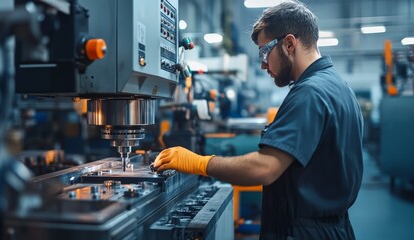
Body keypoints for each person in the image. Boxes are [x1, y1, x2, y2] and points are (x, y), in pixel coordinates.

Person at [153, 1, 364, 239]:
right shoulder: (338, 87)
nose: (263, 64)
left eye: (265, 52)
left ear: (289, 44)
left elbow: (264, 168)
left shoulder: (310, 93)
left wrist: (198, 162)